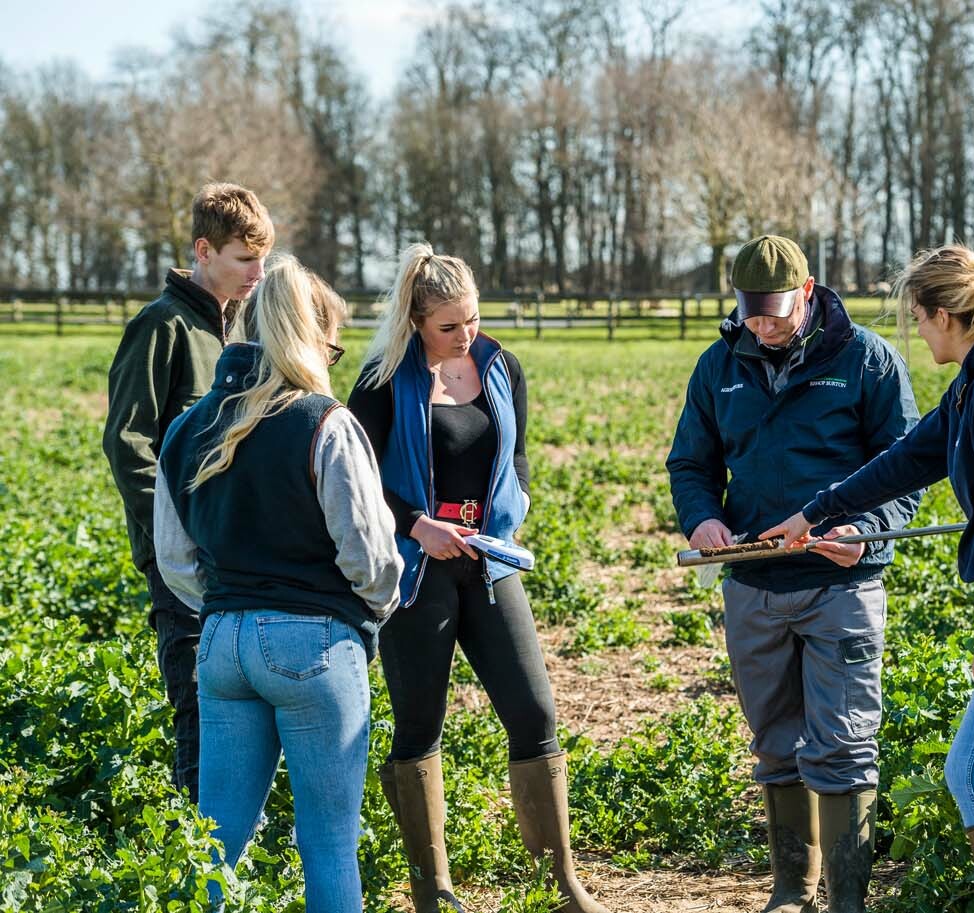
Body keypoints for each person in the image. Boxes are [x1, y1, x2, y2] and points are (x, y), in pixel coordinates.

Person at [761, 245, 974, 913]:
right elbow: (904, 460)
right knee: (972, 773)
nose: (917, 333)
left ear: (946, 315)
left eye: (918, 319)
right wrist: (814, 513)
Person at [348, 244, 606, 913]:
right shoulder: (381, 381)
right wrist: (416, 523)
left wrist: (503, 517)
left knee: (534, 710)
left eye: (472, 319)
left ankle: (560, 883)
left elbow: (514, 454)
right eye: (448, 326)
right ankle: (433, 890)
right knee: (421, 721)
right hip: (418, 568)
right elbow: (357, 480)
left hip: (488, 560)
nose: (465, 336)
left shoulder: (498, 365)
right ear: (415, 320)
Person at [666, 234, 920, 913]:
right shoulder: (718, 366)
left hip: (840, 585)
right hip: (753, 587)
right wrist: (702, 520)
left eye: (775, 312)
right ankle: (791, 888)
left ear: (808, 293)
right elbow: (690, 463)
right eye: (751, 313)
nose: (762, 325)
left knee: (843, 742)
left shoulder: (867, 361)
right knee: (775, 741)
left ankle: (847, 900)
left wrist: (863, 533)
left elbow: (906, 469)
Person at [154, 256, 402, 911]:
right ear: (310, 337)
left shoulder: (186, 427)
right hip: (313, 643)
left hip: (221, 642)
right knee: (326, 844)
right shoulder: (325, 421)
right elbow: (371, 556)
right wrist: (371, 610)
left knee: (213, 846)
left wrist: (226, 605)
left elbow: (173, 558)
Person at [103, 182, 273, 802]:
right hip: (183, 559)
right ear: (203, 250)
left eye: (263, 259)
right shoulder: (161, 328)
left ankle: (238, 843)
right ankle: (201, 860)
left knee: (243, 702)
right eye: (244, 259)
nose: (258, 273)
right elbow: (128, 444)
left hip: (238, 553)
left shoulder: (237, 329)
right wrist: (178, 534)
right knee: (199, 703)